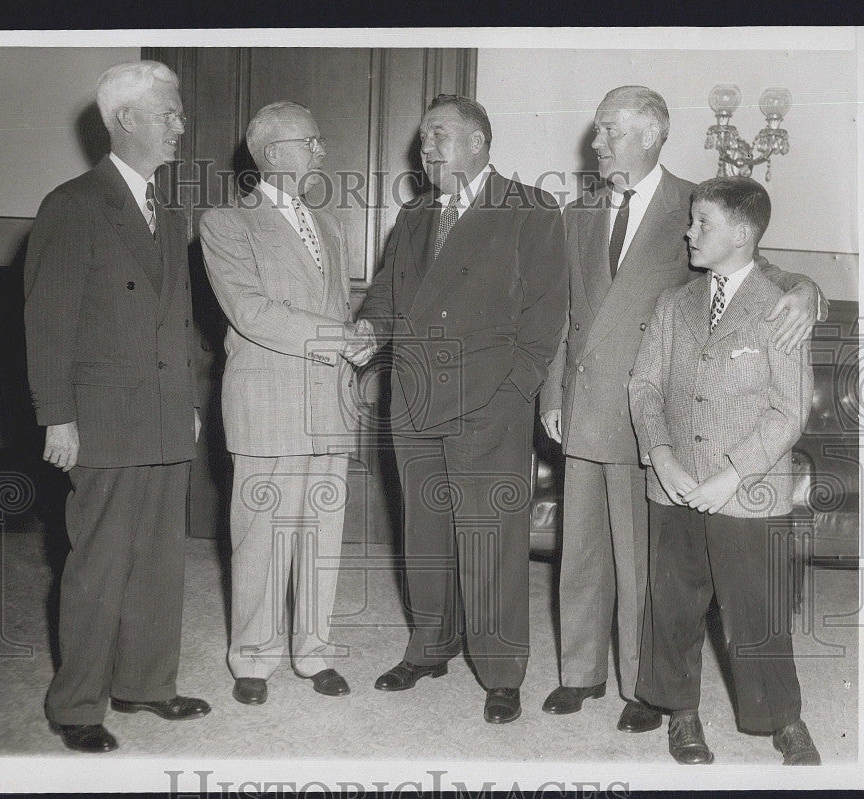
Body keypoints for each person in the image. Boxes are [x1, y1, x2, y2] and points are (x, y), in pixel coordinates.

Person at [539, 86, 823, 734]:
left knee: (647, 563)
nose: (597, 141)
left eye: (610, 130)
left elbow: (767, 280)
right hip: (584, 403)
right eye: (598, 130)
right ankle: (578, 672)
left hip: (651, 417)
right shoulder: (576, 213)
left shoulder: (696, 207)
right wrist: (550, 391)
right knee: (578, 550)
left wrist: (808, 293)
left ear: (649, 135)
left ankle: (647, 687)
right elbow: (562, 313)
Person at [346, 94, 568, 724]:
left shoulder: (529, 210)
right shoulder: (414, 216)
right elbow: (388, 292)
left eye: (439, 135)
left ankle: (501, 671)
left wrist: (515, 389)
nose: (428, 149)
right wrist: (368, 333)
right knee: (424, 531)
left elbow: (547, 310)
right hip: (413, 398)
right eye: (423, 139)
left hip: (488, 400)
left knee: (490, 536)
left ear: (479, 142)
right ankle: (429, 646)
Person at [24, 61, 209, 753]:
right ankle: (76, 703)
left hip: (162, 413)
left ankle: (145, 684)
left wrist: (187, 400)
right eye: (171, 112)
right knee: (99, 563)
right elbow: (47, 321)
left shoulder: (169, 208)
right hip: (101, 416)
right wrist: (56, 414)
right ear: (129, 119)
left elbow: (177, 316)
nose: (181, 124)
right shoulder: (71, 205)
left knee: (161, 559)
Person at [629, 176, 819, 765]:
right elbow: (644, 386)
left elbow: (789, 410)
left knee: (757, 609)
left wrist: (732, 474)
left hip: (748, 490)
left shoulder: (780, 307)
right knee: (674, 603)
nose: (689, 231)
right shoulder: (674, 304)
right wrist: (660, 456)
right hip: (675, 482)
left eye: (702, 222)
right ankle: (680, 713)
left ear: (743, 233)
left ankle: (781, 718)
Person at [199, 101, 359, 706]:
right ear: (271, 153)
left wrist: (357, 336)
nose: (322, 151)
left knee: (322, 533)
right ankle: (254, 656)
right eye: (310, 141)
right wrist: (342, 339)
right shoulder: (225, 223)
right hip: (267, 404)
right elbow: (251, 312)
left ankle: (314, 650)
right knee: (262, 534)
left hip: (329, 404)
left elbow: (336, 306)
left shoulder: (331, 224)